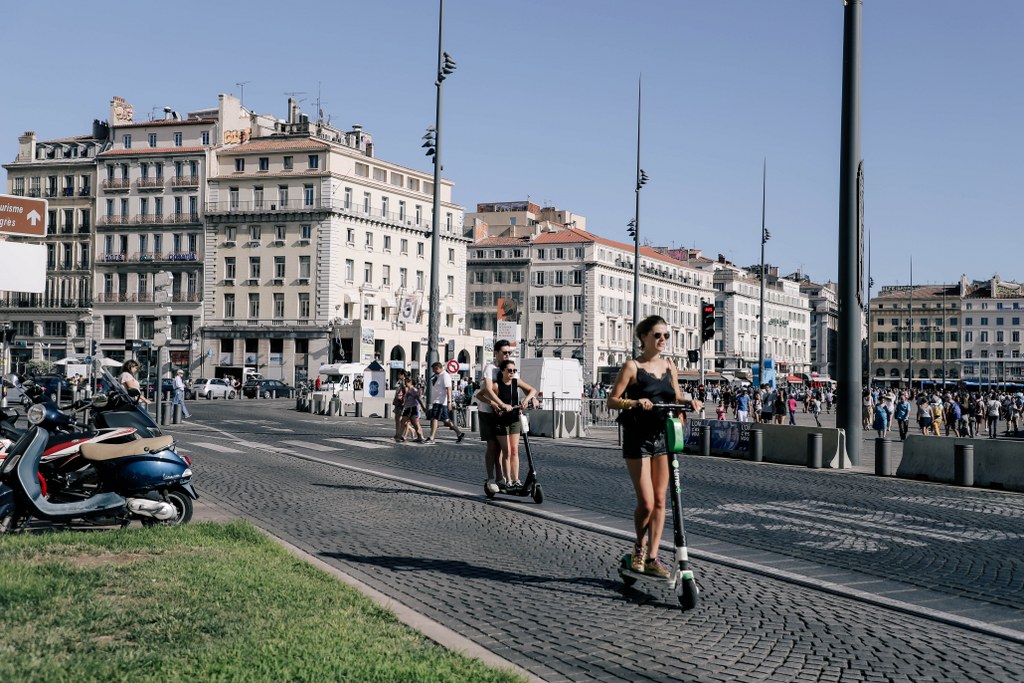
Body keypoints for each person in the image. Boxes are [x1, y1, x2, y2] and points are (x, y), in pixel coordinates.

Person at [607, 315, 701, 579]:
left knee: (661, 501)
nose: (662, 340)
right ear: (643, 337)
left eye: (666, 336)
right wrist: (635, 403)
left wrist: (688, 402)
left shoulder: (670, 365)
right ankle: (639, 546)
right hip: (637, 436)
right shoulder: (632, 367)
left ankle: (651, 558)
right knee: (646, 503)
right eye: (657, 335)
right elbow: (612, 401)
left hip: (662, 436)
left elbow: (676, 395)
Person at [491, 359, 537, 489]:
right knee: (507, 451)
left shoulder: (516, 382)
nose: (512, 373)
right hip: (501, 420)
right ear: (503, 371)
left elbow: (532, 390)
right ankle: (508, 479)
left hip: (514, 419)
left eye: (514, 370)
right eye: (510, 370)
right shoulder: (496, 385)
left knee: (515, 450)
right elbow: (490, 400)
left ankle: (516, 479)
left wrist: (526, 400)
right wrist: (499, 406)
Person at [474, 340, 512, 490]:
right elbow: (488, 390)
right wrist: (497, 403)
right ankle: (490, 478)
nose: (507, 355)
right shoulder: (490, 368)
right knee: (492, 445)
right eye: (504, 352)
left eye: (509, 353)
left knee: (501, 447)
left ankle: (500, 477)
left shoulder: (509, 368)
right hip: (487, 410)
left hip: (500, 413)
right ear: (496, 353)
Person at [426, 362, 466, 444]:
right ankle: (459, 433)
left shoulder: (445, 376)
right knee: (446, 420)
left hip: (441, 401)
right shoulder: (437, 376)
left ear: (437, 368)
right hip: (437, 400)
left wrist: (449, 402)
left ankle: (431, 437)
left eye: (434, 369)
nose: (433, 371)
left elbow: (449, 389)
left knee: (434, 418)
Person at [397, 375, 425, 443]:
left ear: (411, 382)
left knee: (415, 424)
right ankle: (400, 436)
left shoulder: (414, 390)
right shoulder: (408, 390)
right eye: (405, 382)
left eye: (407, 382)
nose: (405, 383)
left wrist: (423, 408)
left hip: (412, 408)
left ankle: (421, 437)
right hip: (407, 408)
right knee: (403, 421)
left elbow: (419, 399)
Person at [392, 370, 407, 441]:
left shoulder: (404, 383)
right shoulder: (399, 382)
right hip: (398, 402)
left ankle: (400, 434)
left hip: (402, 403)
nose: (398, 376)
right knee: (397, 419)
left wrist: (404, 401)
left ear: (403, 375)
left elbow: (406, 392)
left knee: (401, 420)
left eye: (399, 374)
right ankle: (397, 434)